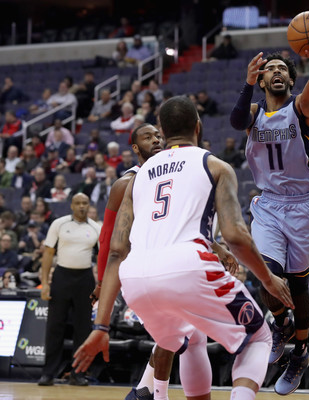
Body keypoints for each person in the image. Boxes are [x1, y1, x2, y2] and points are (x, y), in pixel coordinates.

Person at [73, 98, 293, 400]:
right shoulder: (215, 165)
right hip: (188, 266)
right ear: (198, 127)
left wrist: (102, 325)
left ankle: (153, 392)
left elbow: (116, 251)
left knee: (192, 336)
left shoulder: (138, 176)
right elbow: (236, 235)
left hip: (136, 279)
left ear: (162, 132)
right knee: (257, 337)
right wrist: (268, 279)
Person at [229, 40, 309, 394]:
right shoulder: (254, 113)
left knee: (299, 283)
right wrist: (246, 82)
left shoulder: (301, 109)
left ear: (291, 80)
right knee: (267, 274)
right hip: (270, 204)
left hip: (303, 205)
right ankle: (281, 324)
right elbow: (235, 119)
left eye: (283, 70)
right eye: (270, 69)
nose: (276, 73)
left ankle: (301, 353)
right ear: (262, 80)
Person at [38, 193, 101, 387]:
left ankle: (78, 374)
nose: (82, 206)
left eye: (85, 203)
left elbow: (102, 258)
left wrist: (101, 283)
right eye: (78, 203)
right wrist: (45, 282)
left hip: (85, 279)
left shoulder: (96, 227)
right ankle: (48, 373)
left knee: (82, 328)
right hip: (62, 277)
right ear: (72, 205)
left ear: (89, 205)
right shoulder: (59, 224)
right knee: (55, 326)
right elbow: (48, 253)